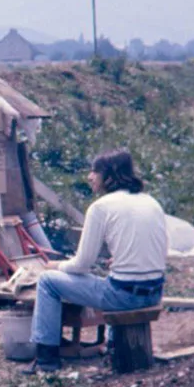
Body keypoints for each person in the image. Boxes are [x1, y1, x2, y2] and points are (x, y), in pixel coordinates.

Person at [24, 149, 168, 374]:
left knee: (48, 281)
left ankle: (46, 361)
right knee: (110, 278)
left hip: (124, 297)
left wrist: (56, 266)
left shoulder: (101, 207)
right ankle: (111, 346)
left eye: (95, 171)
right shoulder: (151, 202)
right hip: (154, 291)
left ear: (109, 175)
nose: (90, 176)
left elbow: (82, 265)